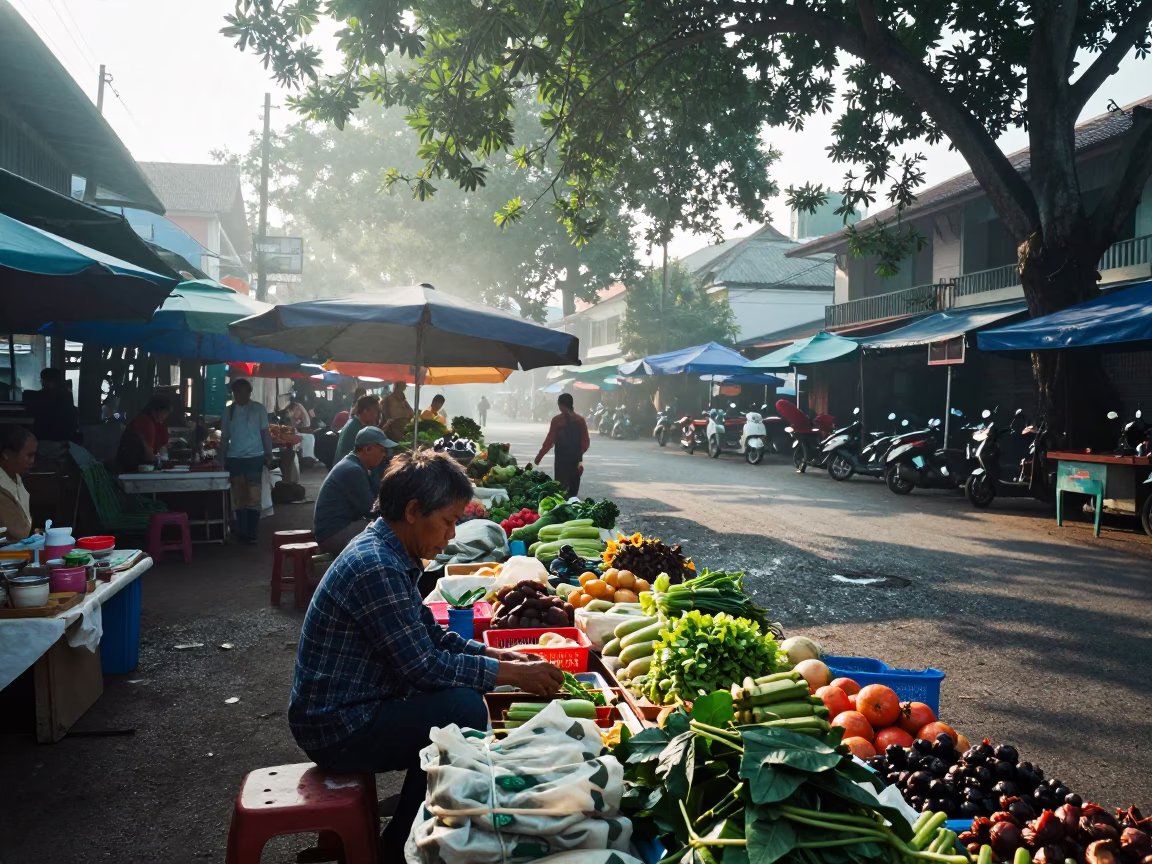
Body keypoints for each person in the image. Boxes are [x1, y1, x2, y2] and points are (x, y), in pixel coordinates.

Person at [290, 451, 564, 860]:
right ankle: (400, 845)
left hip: (360, 703)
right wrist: (508, 673)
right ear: (415, 510)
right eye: (449, 521)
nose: (451, 535)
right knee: (462, 709)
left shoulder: (389, 553)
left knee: (460, 700)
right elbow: (424, 667)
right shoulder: (376, 566)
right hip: (338, 726)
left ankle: (413, 809)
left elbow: (430, 635)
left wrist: (501, 657)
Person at [312, 426, 393, 556]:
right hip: (333, 535)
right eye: (382, 450)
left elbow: (375, 495)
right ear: (367, 449)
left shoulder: (355, 465)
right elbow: (372, 509)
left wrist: (378, 469)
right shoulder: (352, 470)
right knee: (386, 530)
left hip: (336, 529)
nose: (384, 456)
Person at [219, 378, 274, 545]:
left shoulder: (258, 409)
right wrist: (221, 459)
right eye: (238, 392)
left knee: (253, 496)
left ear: (250, 393)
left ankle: (252, 532)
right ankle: (243, 531)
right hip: (234, 458)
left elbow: (265, 433)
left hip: (254, 458)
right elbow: (224, 438)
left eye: (245, 391)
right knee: (239, 496)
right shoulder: (228, 411)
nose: (242, 395)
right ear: (233, 393)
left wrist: (269, 454)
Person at [535, 393, 590, 497]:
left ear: (561, 405)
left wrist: (539, 456)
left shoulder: (557, 420)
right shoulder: (580, 420)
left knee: (560, 490)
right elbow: (585, 442)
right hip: (577, 460)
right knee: (573, 490)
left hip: (561, 460)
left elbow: (549, 441)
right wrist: (578, 453)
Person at [0, 426, 38, 541]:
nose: (32, 461)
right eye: (28, 455)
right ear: (6, 454)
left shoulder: (16, 478)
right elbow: (19, 532)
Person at [23, 368, 81, 444]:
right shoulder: (66, 397)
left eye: (43, 380)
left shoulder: (39, 397)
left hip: (44, 440)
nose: (42, 383)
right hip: (64, 441)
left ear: (45, 381)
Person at [116, 395, 172, 472]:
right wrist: (160, 462)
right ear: (157, 410)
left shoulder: (147, 420)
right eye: (165, 412)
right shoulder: (145, 422)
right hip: (131, 469)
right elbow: (148, 455)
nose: (166, 416)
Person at [335, 394, 382, 463]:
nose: (375, 415)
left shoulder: (355, 422)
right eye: (375, 412)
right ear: (365, 411)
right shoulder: (355, 427)